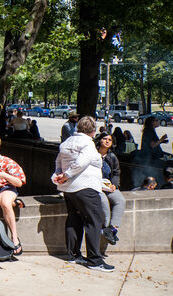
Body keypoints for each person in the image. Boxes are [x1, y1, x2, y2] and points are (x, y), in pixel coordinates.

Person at [52, 116, 113, 272]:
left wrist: (59, 175)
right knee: (94, 221)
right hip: (85, 187)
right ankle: (95, 260)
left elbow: (58, 162)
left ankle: (73, 254)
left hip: (69, 189)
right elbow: (82, 162)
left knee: (74, 219)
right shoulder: (88, 143)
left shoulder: (67, 143)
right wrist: (66, 175)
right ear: (93, 131)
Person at [94, 132, 125, 246]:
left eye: (110, 140)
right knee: (104, 204)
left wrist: (114, 185)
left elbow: (116, 173)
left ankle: (112, 229)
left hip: (108, 185)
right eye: (105, 139)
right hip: (95, 186)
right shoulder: (93, 154)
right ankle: (106, 228)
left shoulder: (112, 157)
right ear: (99, 140)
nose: (107, 141)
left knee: (120, 200)